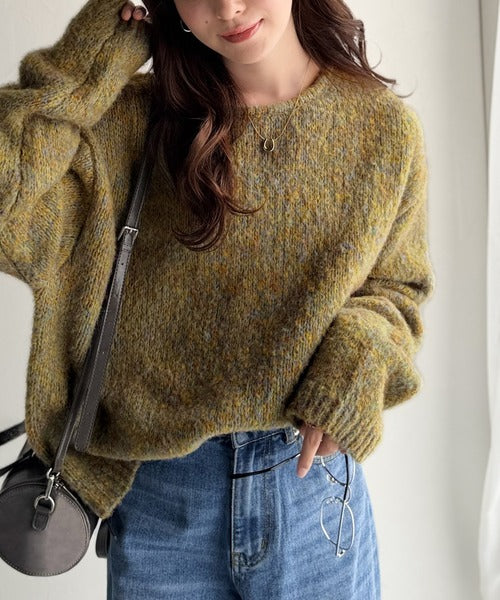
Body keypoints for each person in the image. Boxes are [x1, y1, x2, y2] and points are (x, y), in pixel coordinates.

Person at [0, 0, 435, 597]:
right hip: (161, 499)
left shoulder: (384, 130)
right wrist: (94, 55)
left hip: (310, 490)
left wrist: (356, 363)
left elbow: (396, 288)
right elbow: (8, 212)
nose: (228, 8)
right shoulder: (134, 121)